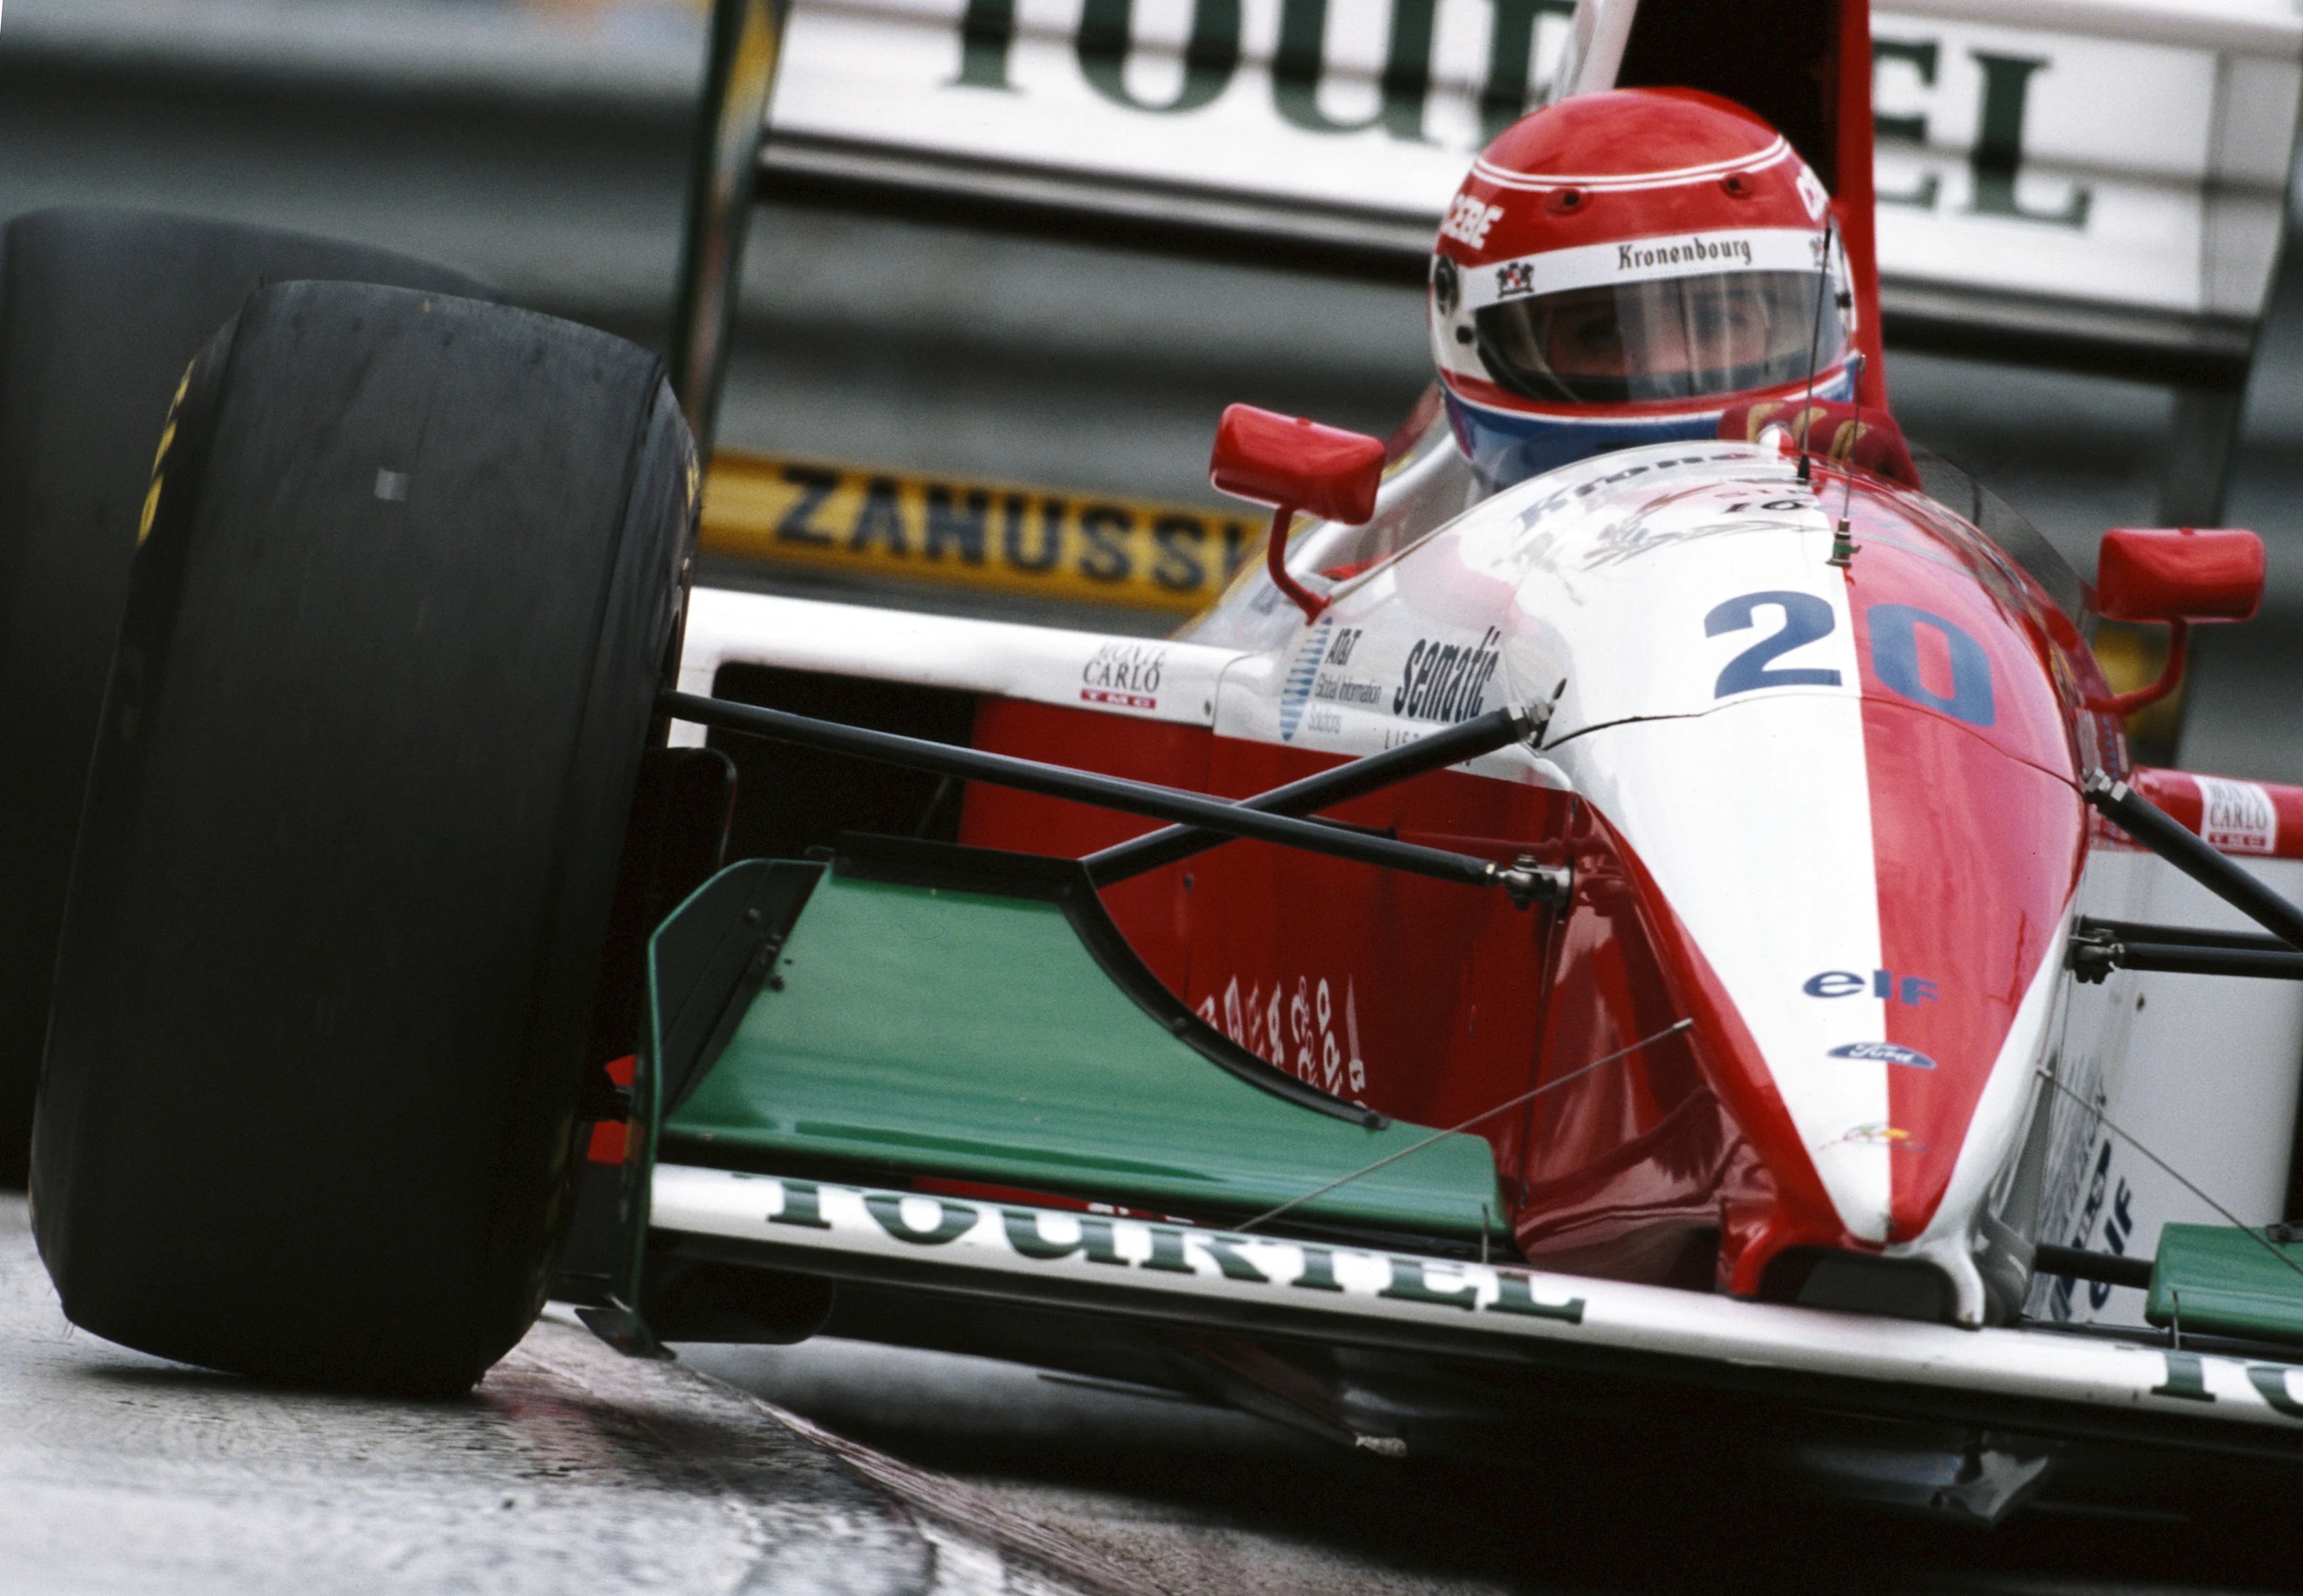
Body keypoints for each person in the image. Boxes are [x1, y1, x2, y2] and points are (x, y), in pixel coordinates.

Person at [1430, 86, 1909, 491]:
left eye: (1716, 320)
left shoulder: (1881, 562)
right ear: (1466, 340)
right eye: (1606, 332)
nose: (1669, 368)